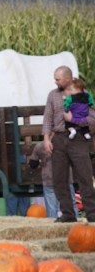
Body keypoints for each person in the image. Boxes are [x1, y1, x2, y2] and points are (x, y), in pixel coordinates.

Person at [42, 65, 95, 223]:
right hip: (59, 137)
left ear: (68, 78)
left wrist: (75, 120)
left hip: (78, 137)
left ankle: (92, 213)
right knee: (59, 177)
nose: (55, 81)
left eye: (58, 79)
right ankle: (67, 213)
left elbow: (93, 117)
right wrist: (46, 138)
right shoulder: (53, 95)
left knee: (84, 176)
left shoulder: (83, 94)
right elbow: (48, 117)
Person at [28, 142, 78, 218]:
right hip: (65, 178)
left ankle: (53, 226)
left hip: (49, 179)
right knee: (71, 204)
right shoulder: (67, 143)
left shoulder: (40, 146)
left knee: (51, 207)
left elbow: (33, 164)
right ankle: (75, 224)